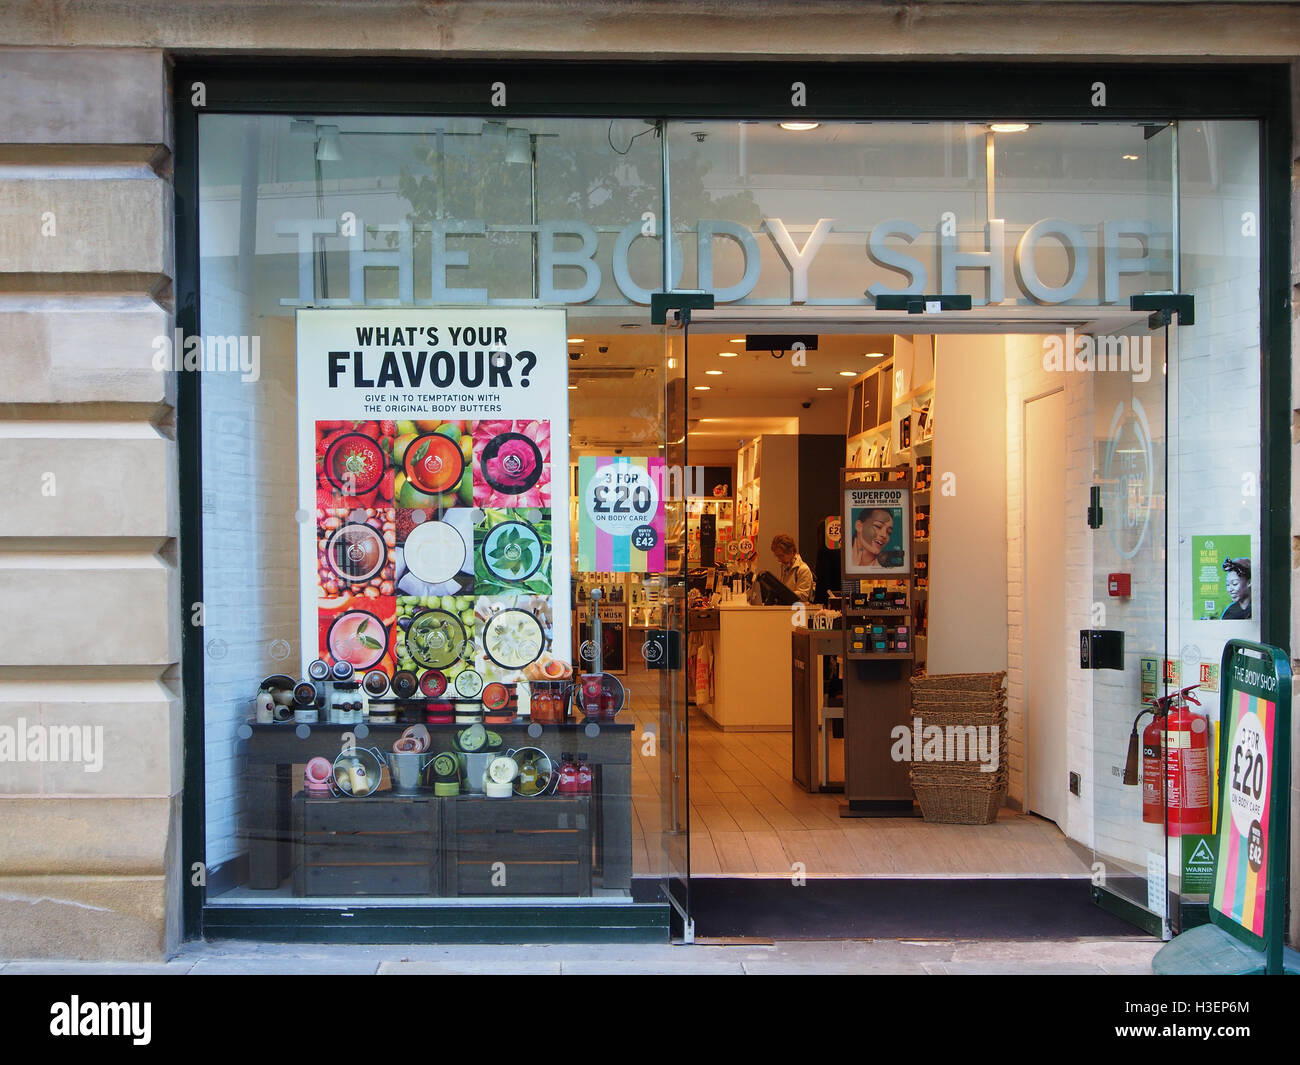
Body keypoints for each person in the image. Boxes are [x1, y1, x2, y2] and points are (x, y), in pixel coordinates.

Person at [770, 533, 814, 603]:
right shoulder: (785, 567)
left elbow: (803, 596)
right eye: (777, 556)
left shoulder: (803, 569)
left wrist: (781, 593)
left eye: (781, 556)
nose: (779, 560)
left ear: (791, 551)